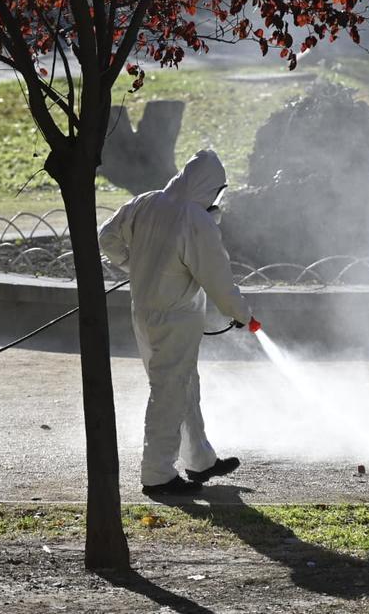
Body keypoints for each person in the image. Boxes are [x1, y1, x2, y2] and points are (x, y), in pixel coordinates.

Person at [99, 149, 254, 495]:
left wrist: (134, 264)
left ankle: (200, 460)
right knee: (169, 392)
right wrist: (241, 314)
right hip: (175, 318)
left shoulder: (147, 201)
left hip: (144, 312)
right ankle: (157, 475)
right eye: (217, 192)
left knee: (183, 386)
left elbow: (106, 236)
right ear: (208, 186)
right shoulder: (194, 219)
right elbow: (218, 278)